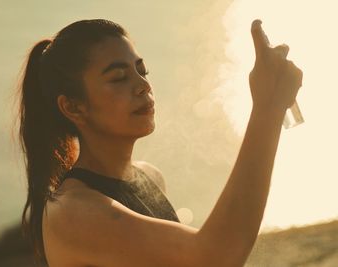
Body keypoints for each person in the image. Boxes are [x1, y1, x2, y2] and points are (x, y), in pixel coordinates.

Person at [15, 19, 303, 267]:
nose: (143, 85)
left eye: (142, 71)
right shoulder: (71, 212)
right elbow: (214, 257)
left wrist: (271, 105)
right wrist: (267, 106)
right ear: (73, 108)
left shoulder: (149, 177)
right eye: (119, 78)